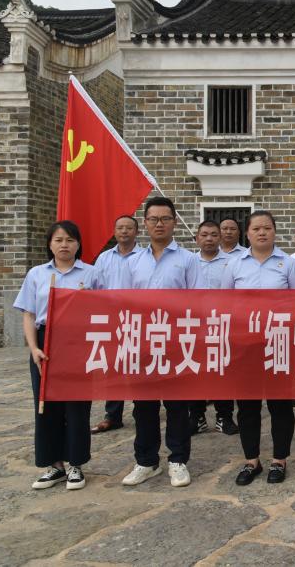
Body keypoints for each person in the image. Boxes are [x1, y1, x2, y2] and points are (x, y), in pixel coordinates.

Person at [121, 196, 204, 488]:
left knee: (177, 404)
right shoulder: (133, 261)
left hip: (176, 341)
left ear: (174, 222)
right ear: (145, 223)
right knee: (143, 405)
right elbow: (124, 302)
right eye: (154, 219)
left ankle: (178, 460)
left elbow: (198, 301)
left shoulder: (188, 259)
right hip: (142, 341)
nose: (159, 224)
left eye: (165, 219)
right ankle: (146, 461)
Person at [220, 211, 295, 485]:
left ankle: (279, 460)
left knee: (280, 405)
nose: (261, 232)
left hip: (279, 342)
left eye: (267, 228)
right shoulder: (234, 264)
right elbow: (224, 304)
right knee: (247, 406)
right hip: (245, 345)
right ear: (247, 233)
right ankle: (251, 461)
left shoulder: (288, 264)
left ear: (275, 232)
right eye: (256, 228)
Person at [14, 220, 94, 491]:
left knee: (77, 406)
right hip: (44, 343)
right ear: (50, 244)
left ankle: (76, 464)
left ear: (78, 244)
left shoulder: (92, 273)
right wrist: (33, 348)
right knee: (45, 405)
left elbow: (105, 309)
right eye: (58, 240)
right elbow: (28, 314)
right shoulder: (37, 274)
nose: (64, 245)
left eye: (70, 240)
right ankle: (54, 465)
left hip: (78, 342)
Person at [90, 214, 143, 434]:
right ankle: (113, 415)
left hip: (138, 319)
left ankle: (142, 410)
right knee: (113, 367)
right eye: (120, 227)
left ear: (136, 231)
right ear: (114, 231)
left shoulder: (145, 257)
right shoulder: (104, 258)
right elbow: (95, 288)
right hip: (111, 319)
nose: (124, 231)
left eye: (129, 228)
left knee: (138, 365)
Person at [190, 219, 238, 436]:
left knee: (222, 372)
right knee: (195, 372)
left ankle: (224, 417)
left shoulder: (232, 262)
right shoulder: (189, 262)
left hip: (222, 325)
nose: (209, 239)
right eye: (204, 235)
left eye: (213, 235)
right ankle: (197, 417)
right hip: (194, 325)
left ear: (220, 238)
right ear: (197, 238)